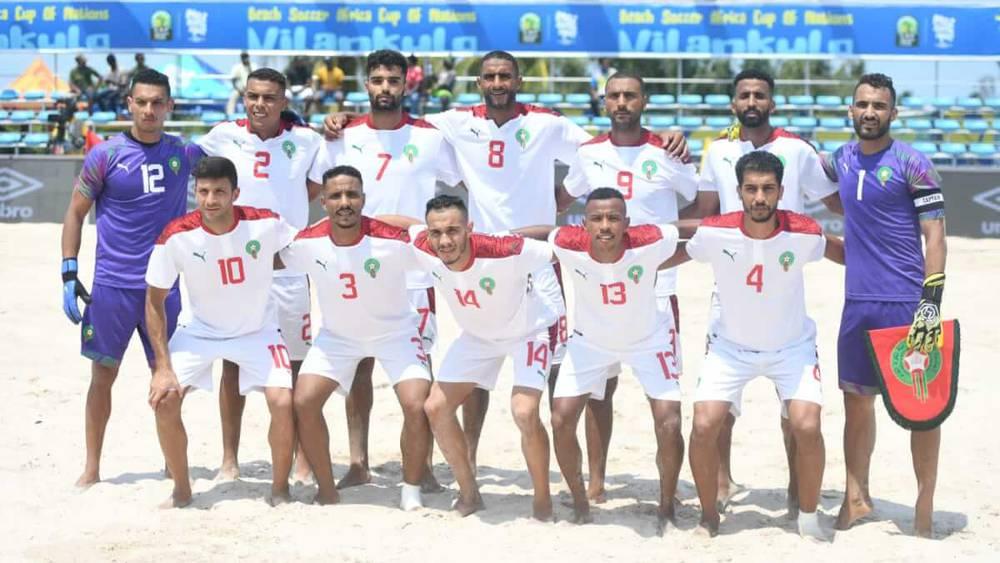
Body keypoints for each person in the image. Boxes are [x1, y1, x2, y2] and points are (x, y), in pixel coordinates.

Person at [325, 51, 690, 475]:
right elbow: (390, 114)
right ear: (479, 83)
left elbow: (610, 141)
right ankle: (473, 458)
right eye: (490, 77)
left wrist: (663, 135)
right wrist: (346, 117)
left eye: (505, 76)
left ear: (518, 81)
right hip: (477, 257)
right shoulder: (454, 122)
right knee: (478, 354)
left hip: (535, 258)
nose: (498, 83)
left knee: (556, 361)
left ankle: (564, 468)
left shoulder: (547, 123)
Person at [690, 68, 843, 514]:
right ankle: (720, 481)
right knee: (720, 404)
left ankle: (799, 488)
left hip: (784, 274)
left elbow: (833, 201)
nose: (752, 100)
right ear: (733, 103)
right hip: (731, 281)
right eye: (744, 95)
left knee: (793, 406)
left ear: (772, 103)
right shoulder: (716, 150)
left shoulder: (796, 150)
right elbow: (704, 214)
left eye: (760, 94)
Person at [320, 49, 461, 490]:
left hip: (415, 274)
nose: (385, 88)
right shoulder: (341, 136)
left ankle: (420, 466)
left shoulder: (432, 137)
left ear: (407, 84)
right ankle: (358, 462)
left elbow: (466, 181)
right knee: (358, 368)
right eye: (377, 80)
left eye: (393, 80)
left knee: (417, 372)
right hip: (352, 269)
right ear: (367, 85)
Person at [60, 68, 202, 487]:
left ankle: (170, 462)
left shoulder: (186, 153)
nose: (149, 110)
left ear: (169, 107)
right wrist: (69, 271)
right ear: (129, 105)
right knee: (102, 376)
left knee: (171, 381)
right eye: (141, 102)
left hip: (164, 289)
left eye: (158, 102)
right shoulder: (104, 155)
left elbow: (237, 158)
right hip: (112, 288)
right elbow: (74, 213)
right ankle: (92, 466)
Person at [562, 71, 698, 504]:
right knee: (600, 390)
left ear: (645, 101)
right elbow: (564, 200)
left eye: (630, 96)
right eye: (614, 96)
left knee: (662, 396)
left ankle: (668, 492)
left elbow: (696, 203)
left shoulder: (669, 151)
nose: (622, 102)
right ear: (604, 103)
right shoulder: (587, 153)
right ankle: (597, 482)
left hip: (657, 288)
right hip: (599, 288)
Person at [387, 195, 564, 519]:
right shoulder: (426, 245)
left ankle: (542, 501)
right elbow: (399, 224)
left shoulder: (503, 249)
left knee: (524, 412)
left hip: (528, 331)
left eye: (453, 230)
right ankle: (470, 494)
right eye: (436, 232)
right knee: (435, 407)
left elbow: (561, 244)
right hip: (478, 337)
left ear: (469, 229)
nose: (445, 240)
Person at [826, 73, 947, 538]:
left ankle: (923, 508)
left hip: (907, 303)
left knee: (923, 408)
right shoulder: (840, 158)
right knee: (856, 404)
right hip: (857, 302)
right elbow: (790, 163)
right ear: (851, 110)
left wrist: (930, 303)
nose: (870, 112)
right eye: (863, 104)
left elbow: (935, 236)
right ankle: (856, 497)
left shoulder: (913, 163)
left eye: (879, 105)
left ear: (893, 113)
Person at [145, 156, 298, 508]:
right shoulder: (176, 236)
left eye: (219, 192)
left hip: (258, 330)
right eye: (203, 192)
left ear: (235, 193)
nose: (210, 199)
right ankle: (182, 489)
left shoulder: (266, 223)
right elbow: (153, 302)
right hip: (198, 332)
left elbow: (303, 249)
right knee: (164, 399)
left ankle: (280, 489)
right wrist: (162, 367)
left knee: (283, 401)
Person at [196, 67, 325, 482]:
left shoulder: (306, 141)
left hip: (289, 269)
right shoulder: (221, 135)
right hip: (238, 270)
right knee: (232, 363)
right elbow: (204, 184)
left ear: (283, 101)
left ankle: (303, 459)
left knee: (296, 364)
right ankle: (229, 459)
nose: (259, 104)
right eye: (253, 96)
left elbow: (312, 188)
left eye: (269, 97)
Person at [279, 165, 433, 510]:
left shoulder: (392, 240)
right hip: (338, 338)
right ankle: (327, 488)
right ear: (323, 201)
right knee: (303, 401)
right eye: (336, 195)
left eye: (352, 194)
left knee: (416, 404)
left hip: (396, 333)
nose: (344, 202)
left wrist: (412, 223)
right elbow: (267, 259)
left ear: (364, 199)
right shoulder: (308, 241)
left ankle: (410, 488)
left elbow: (438, 246)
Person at [548, 188, 694, 526]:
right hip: (590, 344)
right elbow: (543, 232)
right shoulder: (568, 244)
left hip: (648, 340)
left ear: (626, 223)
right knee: (560, 419)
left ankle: (667, 505)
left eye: (613, 218)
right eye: (597, 218)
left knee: (670, 423)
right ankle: (581, 501)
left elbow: (691, 230)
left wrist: (735, 225)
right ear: (583, 224)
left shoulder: (650, 240)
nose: (605, 226)